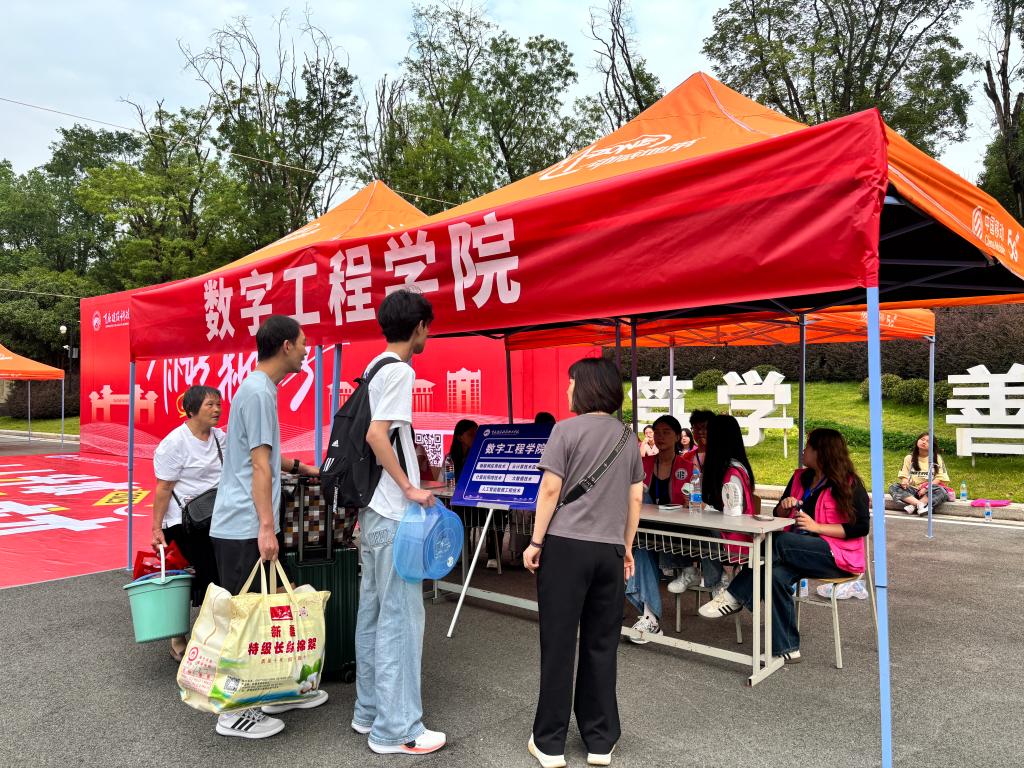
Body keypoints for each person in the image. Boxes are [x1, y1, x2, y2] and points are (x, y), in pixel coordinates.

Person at [523, 357, 643, 768]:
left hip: (565, 549)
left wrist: (535, 541)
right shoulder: (627, 437)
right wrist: (627, 546)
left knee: (559, 644)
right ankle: (600, 740)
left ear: (586, 386)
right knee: (602, 644)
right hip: (609, 552)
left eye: (571, 382)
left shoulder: (565, 430)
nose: (567, 389)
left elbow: (549, 490)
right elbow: (635, 497)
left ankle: (550, 743)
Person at [208, 315, 322, 739]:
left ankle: (273, 691)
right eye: (303, 342)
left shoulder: (261, 389)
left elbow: (266, 457)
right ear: (286, 346)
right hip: (243, 526)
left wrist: (304, 468)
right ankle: (232, 712)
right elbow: (259, 465)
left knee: (269, 614)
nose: (306, 350)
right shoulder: (258, 392)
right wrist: (267, 528)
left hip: (245, 523)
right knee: (246, 621)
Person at [351, 288, 446, 756]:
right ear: (419, 327)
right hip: (391, 511)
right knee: (401, 619)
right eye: (428, 327)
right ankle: (398, 729)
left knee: (372, 612)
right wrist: (409, 487)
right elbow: (376, 435)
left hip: (372, 511)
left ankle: (369, 711)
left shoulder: (373, 367)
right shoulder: (400, 370)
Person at [700, 428, 869, 663]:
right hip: (796, 552)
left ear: (821, 452)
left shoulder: (849, 483)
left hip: (835, 556)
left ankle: (734, 594)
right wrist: (784, 506)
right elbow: (777, 513)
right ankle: (787, 648)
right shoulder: (799, 477)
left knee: (778, 541)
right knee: (775, 576)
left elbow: (861, 527)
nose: (804, 450)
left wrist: (817, 527)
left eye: (808, 446)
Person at [151, 385, 224, 662]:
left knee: (216, 576)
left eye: (218, 404)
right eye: (209, 405)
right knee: (198, 576)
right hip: (183, 522)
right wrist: (156, 528)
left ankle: (212, 636)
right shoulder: (174, 443)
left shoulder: (220, 438)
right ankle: (181, 639)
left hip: (216, 516)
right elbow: (164, 488)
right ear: (191, 410)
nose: (216, 410)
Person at [625, 414, 694, 643]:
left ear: (677, 436)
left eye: (666, 432)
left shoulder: (687, 467)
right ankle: (650, 617)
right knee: (642, 548)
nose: (661, 436)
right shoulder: (643, 464)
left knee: (641, 549)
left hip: (676, 536)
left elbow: (695, 503)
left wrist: (691, 502)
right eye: (657, 432)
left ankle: (649, 617)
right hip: (646, 533)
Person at [692, 414, 756, 595]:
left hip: (734, 538)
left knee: (700, 532)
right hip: (730, 537)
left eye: (709, 432)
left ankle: (718, 580)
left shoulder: (732, 471)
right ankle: (706, 576)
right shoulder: (726, 467)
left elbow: (732, 514)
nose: (704, 435)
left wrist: (705, 507)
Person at [889, 433, 950, 515]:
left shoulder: (936, 458)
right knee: (893, 487)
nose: (924, 442)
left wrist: (926, 488)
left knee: (942, 491)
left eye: (928, 441)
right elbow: (904, 475)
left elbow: (939, 478)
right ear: (917, 441)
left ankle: (913, 506)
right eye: (922, 439)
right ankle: (920, 505)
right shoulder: (909, 458)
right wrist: (905, 481)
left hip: (929, 491)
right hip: (913, 491)